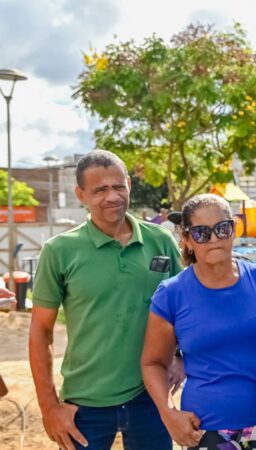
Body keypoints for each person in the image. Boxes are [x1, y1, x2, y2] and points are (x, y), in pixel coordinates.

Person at [30, 150, 183, 450]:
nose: (112, 196)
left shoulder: (161, 241)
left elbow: (185, 308)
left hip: (150, 398)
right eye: (100, 189)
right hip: (84, 404)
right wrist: (50, 408)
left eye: (118, 186)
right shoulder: (59, 250)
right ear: (81, 195)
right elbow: (40, 331)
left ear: (129, 184)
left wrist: (181, 356)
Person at [141, 193, 256, 449]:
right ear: (186, 239)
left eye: (222, 228)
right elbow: (152, 363)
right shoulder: (171, 294)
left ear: (233, 229)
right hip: (205, 430)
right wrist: (168, 413)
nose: (214, 239)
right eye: (201, 233)